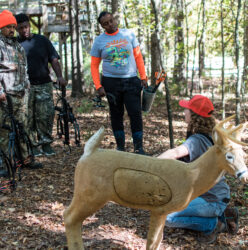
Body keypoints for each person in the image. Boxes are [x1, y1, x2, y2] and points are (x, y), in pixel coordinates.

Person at [158, 95, 239, 244]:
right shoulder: (214, 135)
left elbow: (175, 153)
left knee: (167, 217)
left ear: (194, 115)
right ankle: (224, 213)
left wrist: (151, 163)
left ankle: (215, 224)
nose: (184, 112)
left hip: (211, 198)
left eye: (187, 109)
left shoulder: (196, 140)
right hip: (216, 194)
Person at [0, 10, 41, 169]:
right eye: (8, 26)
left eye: (13, 26)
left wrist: (27, 84)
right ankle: (4, 164)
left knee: (23, 129)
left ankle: (25, 159)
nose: (11, 29)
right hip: (4, 98)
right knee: (3, 132)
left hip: (21, 95)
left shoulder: (17, 46)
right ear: (0, 27)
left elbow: (24, 69)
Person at [90, 11, 148, 154]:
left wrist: (143, 76)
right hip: (110, 83)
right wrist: (98, 86)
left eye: (111, 20)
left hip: (131, 81)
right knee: (116, 114)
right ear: (102, 26)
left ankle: (138, 147)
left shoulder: (128, 34)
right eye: (106, 23)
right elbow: (94, 65)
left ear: (114, 19)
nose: (110, 25)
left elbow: (138, 56)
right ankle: (120, 147)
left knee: (135, 113)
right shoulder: (99, 41)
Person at [15, 13, 67, 156]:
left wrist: (60, 77)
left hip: (44, 84)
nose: (24, 30)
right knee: (28, 117)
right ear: (16, 29)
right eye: (20, 28)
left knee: (45, 115)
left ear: (29, 25)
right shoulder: (15, 44)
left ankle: (46, 144)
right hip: (25, 87)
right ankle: (33, 146)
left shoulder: (42, 40)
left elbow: (54, 60)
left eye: (25, 26)